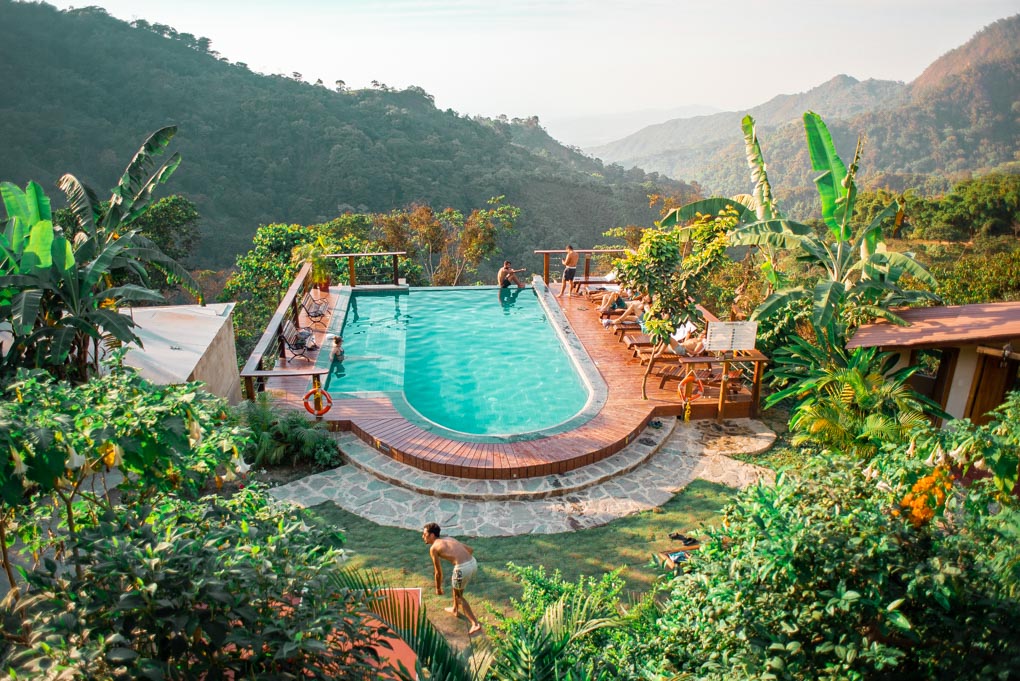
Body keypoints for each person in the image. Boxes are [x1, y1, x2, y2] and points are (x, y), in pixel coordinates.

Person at [423, 522, 482, 635]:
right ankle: (455, 609)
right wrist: (458, 558)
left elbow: (438, 573)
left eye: (425, 534)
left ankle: (475, 624)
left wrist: (438, 588)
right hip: (473, 563)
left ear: (432, 535)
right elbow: (470, 550)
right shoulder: (449, 538)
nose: (423, 536)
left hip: (462, 569)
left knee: (459, 597)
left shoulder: (433, 548)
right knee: (457, 589)